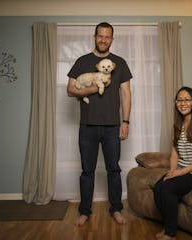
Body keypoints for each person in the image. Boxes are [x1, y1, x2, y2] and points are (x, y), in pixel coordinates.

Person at [66, 22, 132, 226]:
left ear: (112, 39)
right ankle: (84, 211)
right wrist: (92, 90)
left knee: (113, 169)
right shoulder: (82, 61)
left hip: (113, 126)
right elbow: (70, 90)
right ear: (94, 37)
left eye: (108, 36)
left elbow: (126, 93)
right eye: (100, 36)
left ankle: (116, 209)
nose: (103, 39)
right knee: (87, 170)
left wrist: (126, 121)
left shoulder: (119, 62)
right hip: (88, 126)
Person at [153, 86, 192, 240]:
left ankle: (170, 233)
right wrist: (173, 171)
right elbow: (174, 154)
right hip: (181, 168)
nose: (183, 103)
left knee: (167, 188)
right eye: (179, 100)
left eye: (186, 99)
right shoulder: (176, 127)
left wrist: (179, 173)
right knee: (158, 187)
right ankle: (168, 224)